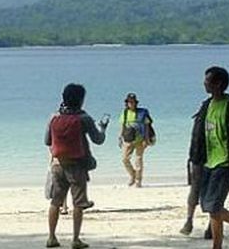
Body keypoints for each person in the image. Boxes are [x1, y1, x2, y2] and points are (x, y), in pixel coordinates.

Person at [188, 66, 229, 249]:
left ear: (218, 84)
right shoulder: (206, 105)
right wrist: (194, 160)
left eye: (207, 80)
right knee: (209, 206)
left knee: (213, 205)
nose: (204, 83)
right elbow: (198, 135)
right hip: (207, 161)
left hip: (225, 162)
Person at [44, 83, 108, 249]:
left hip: (57, 164)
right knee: (78, 204)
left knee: (55, 202)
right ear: (81, 100)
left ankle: (51, 237)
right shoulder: (84, 118)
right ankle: (75, 239)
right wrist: (102, 128)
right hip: (77, 166)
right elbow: (98, 140)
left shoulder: (54, 117)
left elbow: (47, 141)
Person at [119, 92, 154, 188]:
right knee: (125, 159)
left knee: (138, 160)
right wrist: (120, 137)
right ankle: (133, 175)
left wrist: (146, 139)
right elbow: (122, 126)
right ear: (127, 103)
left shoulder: (142, 113)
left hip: (140, 140)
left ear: (136, 103)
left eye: (133, 102)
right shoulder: (125, 113)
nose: (131, 104)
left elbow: (147, 126)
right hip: (128, 140)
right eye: (130, 102)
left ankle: (138, 181)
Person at [180, 160, 213, 239]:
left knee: (195, 189)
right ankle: (210, 225)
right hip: (209, 160)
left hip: (200, 158)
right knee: (213, 192)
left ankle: (189, 220)